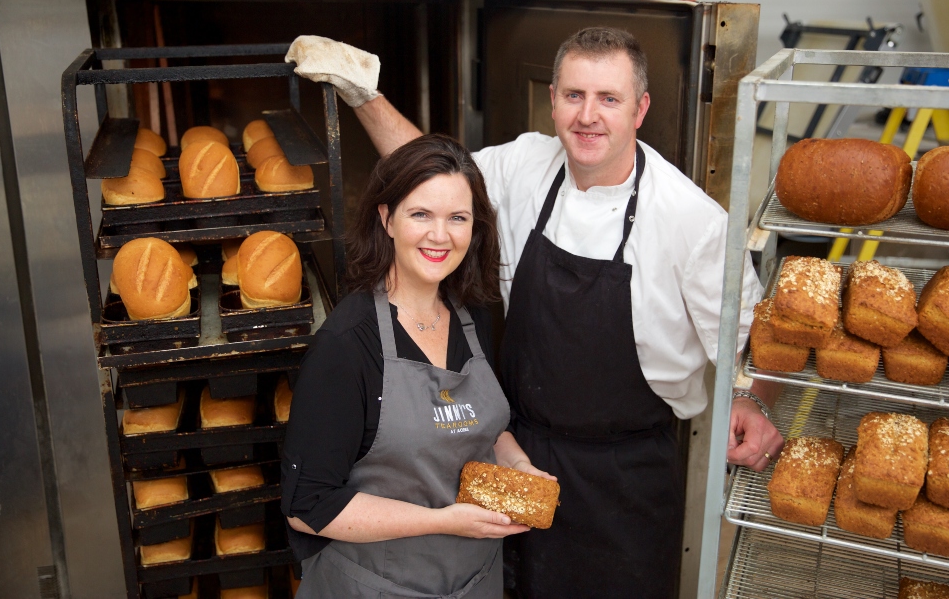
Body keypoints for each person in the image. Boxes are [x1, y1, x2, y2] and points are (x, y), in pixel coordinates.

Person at [285, 29, 782, 598]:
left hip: (620, 482)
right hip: (509, 457)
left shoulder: (694, 223)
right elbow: (435, 184)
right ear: (552, 100)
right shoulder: (525, 166)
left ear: (641, 108)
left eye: (609, 99)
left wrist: (751, 398)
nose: (588, 116)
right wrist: (362, 94)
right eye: (574, 95)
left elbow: (757, 341)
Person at [281, 134, 555, 598]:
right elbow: (307, 506)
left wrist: (519, 464)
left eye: (458, 218)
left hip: (475, 583)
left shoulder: (475, 317)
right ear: (387, 219)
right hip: (378, 586)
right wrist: (444, 522)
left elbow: (485, 428)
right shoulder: (347, 347)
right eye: (421, 214)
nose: (440, 235)